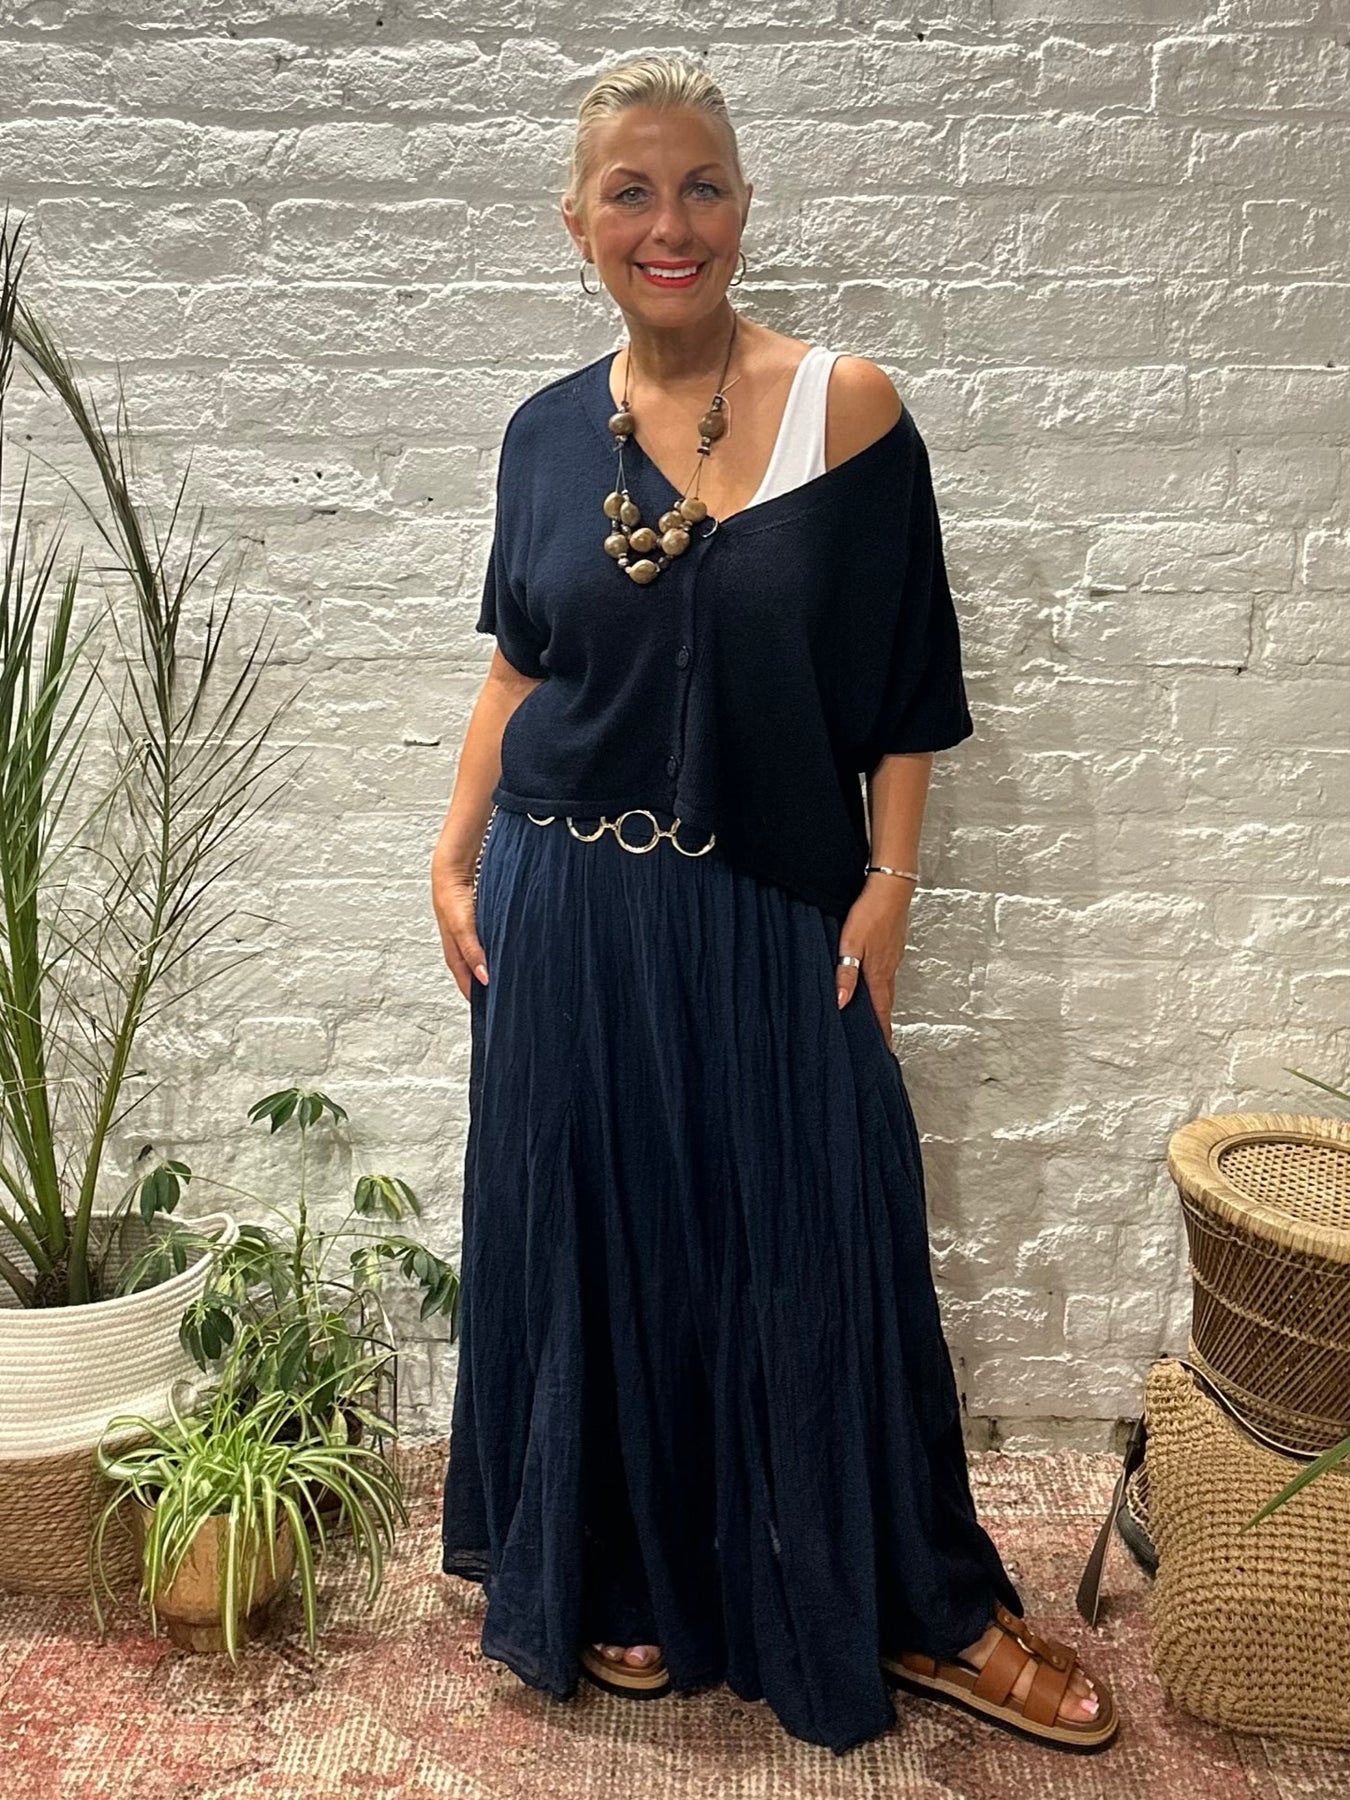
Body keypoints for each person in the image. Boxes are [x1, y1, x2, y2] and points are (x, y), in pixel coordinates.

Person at [431, 52, 1119, 1759]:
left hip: (763, 911)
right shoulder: (543, 435)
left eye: (701, 187)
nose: (669, 224)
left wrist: (886, 885)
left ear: (744, 206)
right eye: (631, 191)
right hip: (562, 903)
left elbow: (904, 688)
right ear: (577, 222)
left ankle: (920, 1604)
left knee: (821, 1243)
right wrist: (449, 854)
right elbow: (521, 664)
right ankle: (625, 1575)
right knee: (599, 1243)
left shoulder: (845, 407)